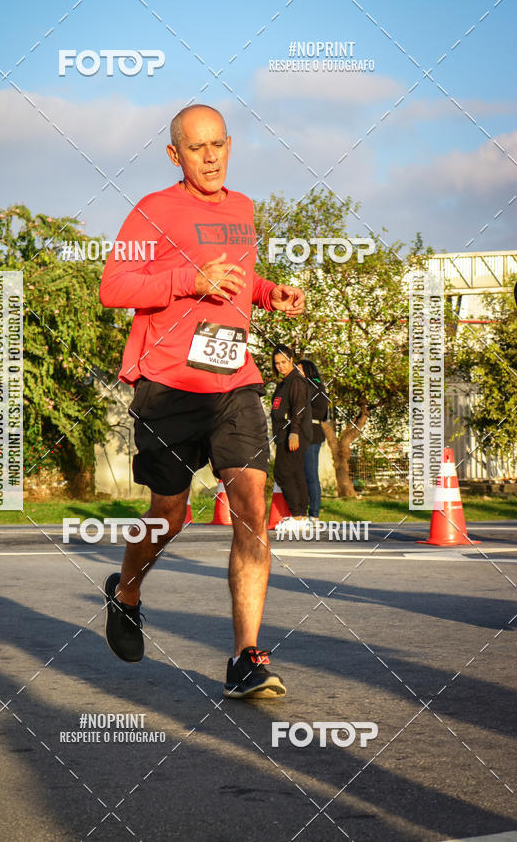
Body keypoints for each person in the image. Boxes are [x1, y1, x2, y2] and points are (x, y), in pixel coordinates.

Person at [99, 104, 305, 698]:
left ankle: (246, 657)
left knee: (251, 505)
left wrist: (270, 292)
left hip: (233, 380)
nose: (209, 156)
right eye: (196, 147)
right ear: (175, 155)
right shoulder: (153, 211)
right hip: (167, 386)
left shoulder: (243, 210)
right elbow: (115, 286)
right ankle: (127, 591)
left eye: (218, 145)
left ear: (230, 145)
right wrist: (189, 281)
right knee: (171, 513)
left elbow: (241, 279)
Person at [270, 346, 313, 528]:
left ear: (291, 359)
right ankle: (301, 516)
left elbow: (299, 408)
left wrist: (294, 432)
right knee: (294, 472)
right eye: (277, 363)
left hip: (294, 433)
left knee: (283, 472)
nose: (280, 366)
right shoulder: (285, 381)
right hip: (284, 433)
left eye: (283, 362)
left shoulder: (296, 380)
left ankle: (298, 515)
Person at [297, 359, 328, 520]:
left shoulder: (317, 387)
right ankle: (300, 512)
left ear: (308, 371)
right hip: (299, 434)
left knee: (310, 474)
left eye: (300, 370)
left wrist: (301, 413)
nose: (297, 372)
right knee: (300, 474)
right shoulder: (298, 386)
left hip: (312, 434)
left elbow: (321, 412)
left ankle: (314, 514)